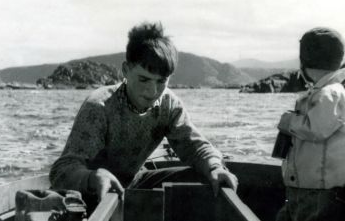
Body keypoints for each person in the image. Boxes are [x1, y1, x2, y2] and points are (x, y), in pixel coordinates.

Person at [49, 22, 238, 204]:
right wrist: (92, 177)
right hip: (90, 193)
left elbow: (195, 147)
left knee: (202, 176)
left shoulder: (169, 104)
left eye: (161, 81)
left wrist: (215, 166)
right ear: (126, 70)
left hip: (133, 184)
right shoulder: (99, 106)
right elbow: (61, 171)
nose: (153, 91)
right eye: (144, 79)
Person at [276, 27, 345, 221]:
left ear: (303, 63)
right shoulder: (326, 92)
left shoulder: (330, 92)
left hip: (318, 192)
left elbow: (317, 128)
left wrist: (289, 122)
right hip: (307, 189)